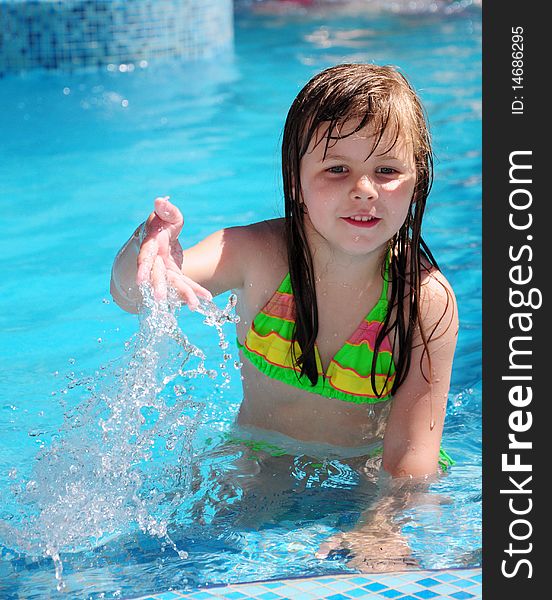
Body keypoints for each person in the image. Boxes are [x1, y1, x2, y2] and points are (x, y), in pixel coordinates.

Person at [111, 62, 458, 483]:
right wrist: (146, 249)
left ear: (417, 180)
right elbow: (133, 298)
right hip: (260, 464)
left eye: (386, 170)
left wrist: (379, 531)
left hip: (363, 479)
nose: (364, 189)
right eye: (337, 169)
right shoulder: (254, 254)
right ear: (295, 180)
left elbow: (411, 458)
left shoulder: (423, 300)